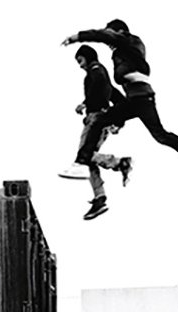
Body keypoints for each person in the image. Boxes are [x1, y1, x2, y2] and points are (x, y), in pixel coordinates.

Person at [62, 20, 178, 184]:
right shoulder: (126, 51)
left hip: (142, 99)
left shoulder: (128, 40)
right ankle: (81, 163)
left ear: (119, 32)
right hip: (134, 100)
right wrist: (117, 120)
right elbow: (114, 93)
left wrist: (77, 37)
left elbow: (105, 36)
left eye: (111, 39)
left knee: (161, 136)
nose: (110, 46)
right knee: (102, 121)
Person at [61, 45, 133, 221]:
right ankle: (99, 197)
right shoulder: (100, 75)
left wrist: (88, 105)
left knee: (83, 157)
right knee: (86, 159)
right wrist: (119, 121)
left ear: (87, 57)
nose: (80, 65)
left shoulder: (96, 70)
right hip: (99, 118)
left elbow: (101, 87)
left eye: (80, 61)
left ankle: (119, 163)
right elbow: (117, 97)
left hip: (96, 119)